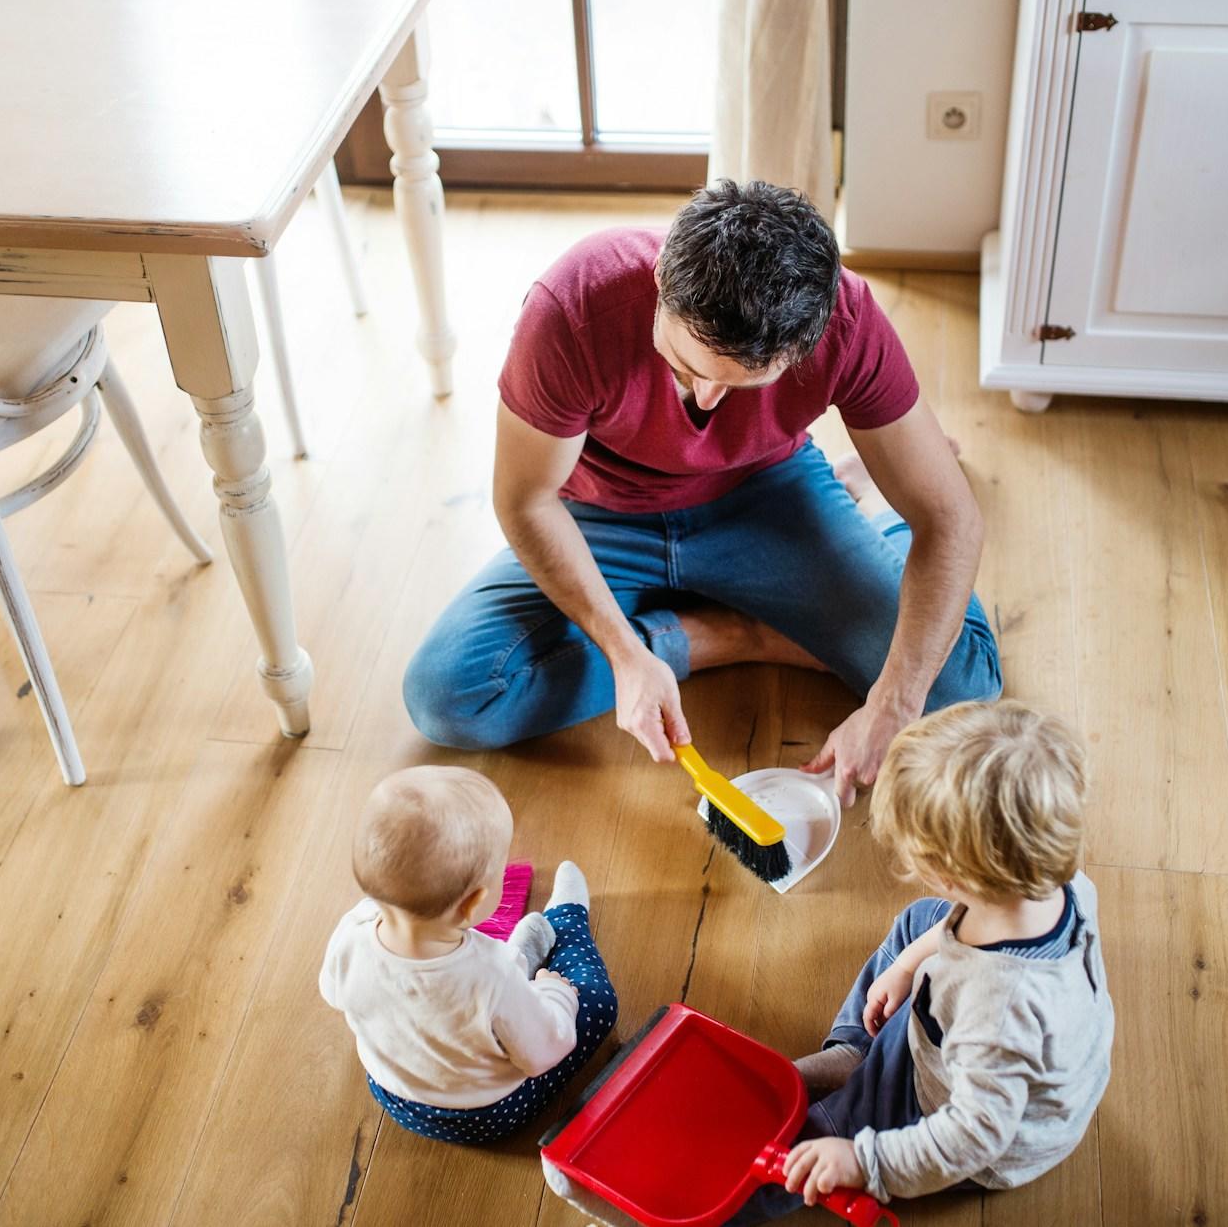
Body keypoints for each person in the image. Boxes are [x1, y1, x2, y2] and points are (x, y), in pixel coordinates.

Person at [402, 180, 999, 802]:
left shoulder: (845, 318)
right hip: (602, 515)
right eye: (684, 369)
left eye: (742, 385)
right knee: (448, 697)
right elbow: (525, 499)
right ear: (661, 276)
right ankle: (739, 634)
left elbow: (949, 518)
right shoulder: (574, 303)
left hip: (766, 495)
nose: (708, 402)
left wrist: (891, 705)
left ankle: (873, 504)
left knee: (960, 686)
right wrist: (626, 654)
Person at [736, 700, 1114, 1218]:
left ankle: (739, 1188)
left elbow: (971, 1137)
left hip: (955, 1112)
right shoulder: (1057, 882)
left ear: (956, 877)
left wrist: (861, 1162)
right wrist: (907, 965)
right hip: (982, 1043)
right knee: (921, 921)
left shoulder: (996, 1011)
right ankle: (856, 1054)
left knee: (808, 1147)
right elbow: (961, 922)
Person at [319, 766, 616, 1144]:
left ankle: (523, 961)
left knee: (498, 994)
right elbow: (544, 1052)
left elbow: (333, 992)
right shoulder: (491, 974)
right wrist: (554, 992)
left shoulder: (352, 933)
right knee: (597, 1001)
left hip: (393, 1092)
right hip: (487, 1115)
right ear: (474, 902)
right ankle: (567, 919)